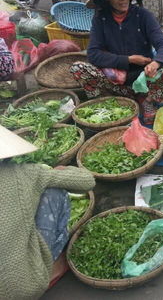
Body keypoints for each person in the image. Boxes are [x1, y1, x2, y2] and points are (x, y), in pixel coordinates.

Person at [0, 124, 95, 299]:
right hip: (27, 285)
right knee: (54, 192)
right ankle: (53, 265)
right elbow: (87, 181)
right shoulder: (24, 173)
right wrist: (61, 172)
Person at [70, 0, 163, 124]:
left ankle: (147, 101)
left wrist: (155, 63)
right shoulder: (101, 19)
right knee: (78, 68)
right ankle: (107, 102)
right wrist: (128, 59)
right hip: (113, 78)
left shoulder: (143, 16)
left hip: (142, 79)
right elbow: (93, 54)